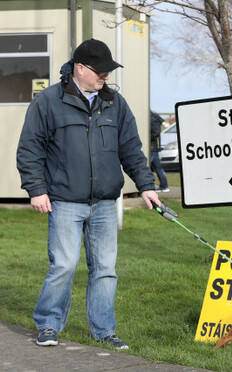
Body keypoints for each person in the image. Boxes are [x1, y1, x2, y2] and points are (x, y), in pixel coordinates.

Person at [16, 38, 162, 349]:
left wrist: (147, 186)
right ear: (79, 69)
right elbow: (30, 149)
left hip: (105, 203)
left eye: (108, 71)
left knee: (106, 270)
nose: (105, 76)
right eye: (100, 71)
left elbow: (131, 149)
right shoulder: (49, 101)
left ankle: (104, 331)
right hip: (64, 201)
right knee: (64, 265)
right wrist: (36, 189)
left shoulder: (114, 103)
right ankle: (48, 325)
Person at [150, 110, 169, 192]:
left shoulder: (150, 118)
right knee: (158, 168)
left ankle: (149, 187)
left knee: (145, 167)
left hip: (150, 146)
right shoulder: (155, 117)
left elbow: (153, 133)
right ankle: (164, 186)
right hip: (154, 146)